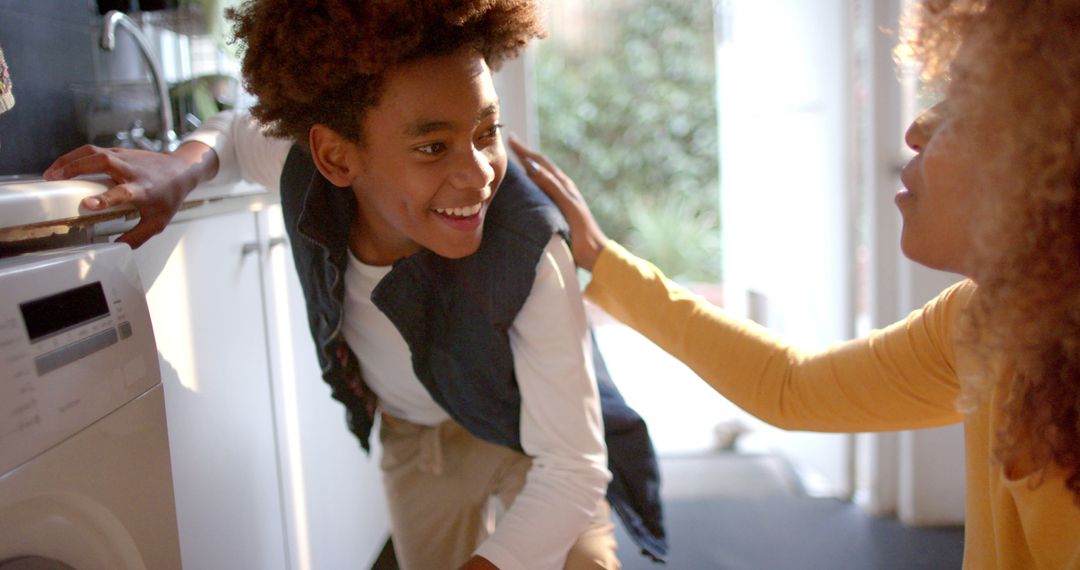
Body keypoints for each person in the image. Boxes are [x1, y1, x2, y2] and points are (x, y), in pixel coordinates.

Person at [44, 2, 667, 569]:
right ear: (338, 158)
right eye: (432, 146)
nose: (478, 174)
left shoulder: (530, 251)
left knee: (584, 561)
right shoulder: (303, 168)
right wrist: (182, 169)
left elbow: (574, 467)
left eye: (487, 132)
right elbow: (236, 134)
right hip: (418, 441)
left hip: (538, 440)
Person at [508, 0, 1080, 567]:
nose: (916, 127)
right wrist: (603, 259)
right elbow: (791, 385)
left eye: (964, 103)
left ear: (1052, 151)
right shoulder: (979, 321)